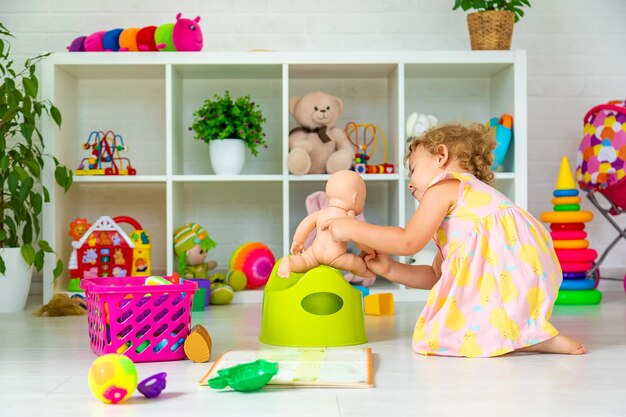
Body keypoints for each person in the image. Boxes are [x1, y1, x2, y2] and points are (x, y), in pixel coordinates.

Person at [322, 123, 585, 357]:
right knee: (468, 310)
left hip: (508, 266)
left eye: (413, 170)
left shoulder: (445, 186)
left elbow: (407, 241)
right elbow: (437, 276)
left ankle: (527, 337)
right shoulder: (470, 216)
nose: (410, 184)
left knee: (447, 331)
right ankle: (530, 335)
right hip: (525, 268)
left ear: (441, 156)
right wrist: (390, 269)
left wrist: (351, 228)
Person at [277, 170, 374, 280]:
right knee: (354, 262)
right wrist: (369, 250)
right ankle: (367, 273)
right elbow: (359, 239)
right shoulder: (349, 218)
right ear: (355, 198)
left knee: (304, 261)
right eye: (363, 200)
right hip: (336, 256)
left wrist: (298, 241)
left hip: (315, 251)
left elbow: (305, 225)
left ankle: (290, 262)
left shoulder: (320, 213)